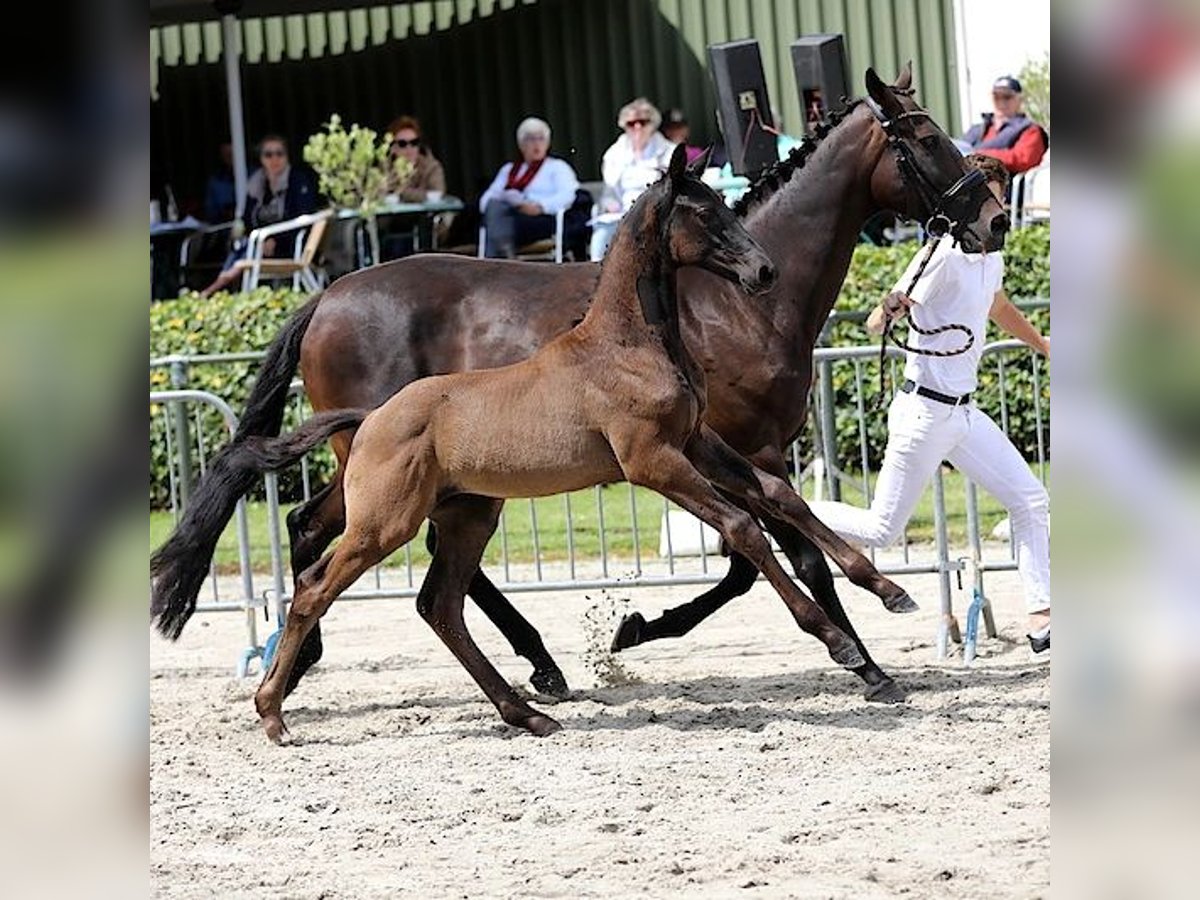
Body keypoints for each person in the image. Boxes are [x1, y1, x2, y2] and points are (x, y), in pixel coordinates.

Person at [807, 154, 1052, 657]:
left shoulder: (991, 256)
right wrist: (890, 308)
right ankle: (783, 509)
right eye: (986, 196)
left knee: (1031, 500)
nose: (995, 205)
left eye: (999, 195)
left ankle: (1041, 615)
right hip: (923, 414)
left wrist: (1045, 345)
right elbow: (881, 318)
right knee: (881, 529)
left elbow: (998, 306)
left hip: (962, 414)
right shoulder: (939, 254)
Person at [199, 134, 320, 298]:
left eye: (279, 153)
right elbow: (247, 220)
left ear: (287, 156)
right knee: (242, 246)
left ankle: (213, 290)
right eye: (268, 154)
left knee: (247, 249)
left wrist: (274, 239)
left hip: (289, 244)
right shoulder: (256, 183)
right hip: (259, 242)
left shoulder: (298, 182)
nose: (274, 159)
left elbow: (301, 219)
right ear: (262, 159)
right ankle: (221, 288)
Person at [589, 98, 677, 261]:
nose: (637, 127)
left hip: (656, 213)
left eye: (643, 122)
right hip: (623, 214)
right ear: (624, 126)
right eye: (631, 123)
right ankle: (597, 279)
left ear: (652, 125)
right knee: (601, 235)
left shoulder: (668, 151)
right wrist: (610, 204)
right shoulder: (614, 154)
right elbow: (609, 193)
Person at [478, 116, 579, 259]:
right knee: (495, 209)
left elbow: (569, 195)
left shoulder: (557, 167)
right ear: (521, 145)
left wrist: (540, 207)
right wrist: (507, 197)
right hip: (511, 217)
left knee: (495, 224)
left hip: (541, 218)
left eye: (541, 139)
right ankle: (505, 255)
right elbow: (485, 202)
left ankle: (501, 262)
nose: (536, 144)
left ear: (548, 143)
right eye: (530, 139)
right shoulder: (509, 170)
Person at [380, 115, 450, 257]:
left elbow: (437, 194)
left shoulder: (431, 166)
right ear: (393, 147)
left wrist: (402, 192)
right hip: (391, 229)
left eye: (414, 142)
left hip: (425, 226)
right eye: (402, 144)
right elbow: (378, 195)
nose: (409, 149)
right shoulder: (385, 169)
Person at [961, 75, 1049, 175]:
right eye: (996, 97)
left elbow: (1023, 159)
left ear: (1020, 99)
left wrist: (979, 155)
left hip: (1004, 186)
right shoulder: (975, 130)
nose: (1001, 102)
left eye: (1007, 97)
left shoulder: (1030, 130)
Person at [202, 141, 236, 223]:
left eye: (232, 154)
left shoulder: (254, 176)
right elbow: (210, 213)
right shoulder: (215, 181)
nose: (230, 158)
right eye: (226, 155)